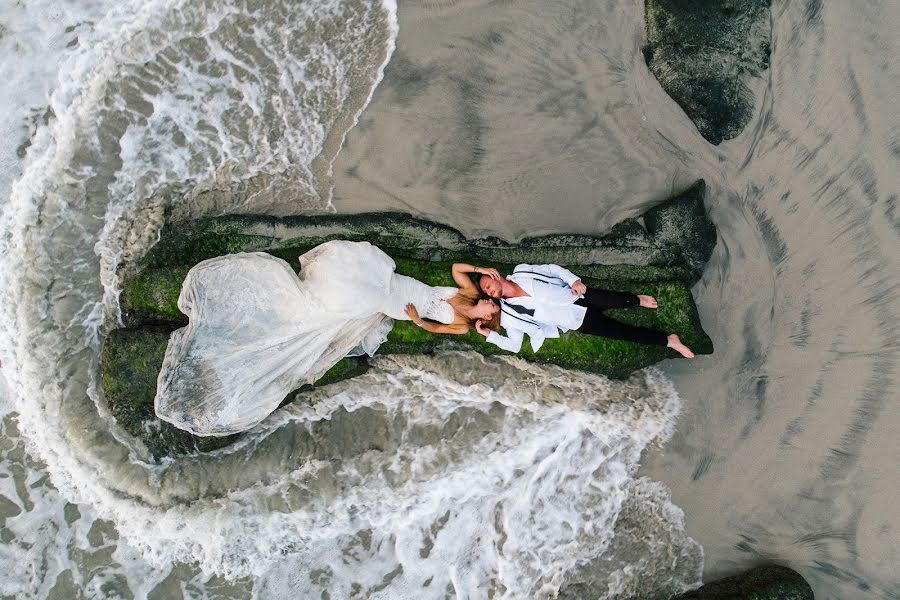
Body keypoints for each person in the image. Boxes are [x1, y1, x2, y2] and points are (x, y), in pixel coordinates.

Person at [154, 240, 500, 437]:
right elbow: (457, 269)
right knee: (364, 276)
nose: (486, 299)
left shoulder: (463, 324)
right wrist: (482, 271)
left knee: (352, 297)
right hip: (405, 287)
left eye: (489, 307)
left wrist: (415, 319)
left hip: (401, 305)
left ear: (487, 319)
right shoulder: (467, 294)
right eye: (488, 298)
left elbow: (435, 329)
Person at [475, 263, 694, 358]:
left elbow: (552, 269)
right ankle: (669, 341)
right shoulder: (509, 313)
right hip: (577, 321)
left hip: (577, 295)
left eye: (488, 285)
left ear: (495, 276)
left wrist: (574, 280)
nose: (490, 291)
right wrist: (489, 335)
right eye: (486, 292)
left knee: (618, 299)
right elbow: (513, 345)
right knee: (624, 333)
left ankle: (636, 300)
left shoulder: (522, 272)